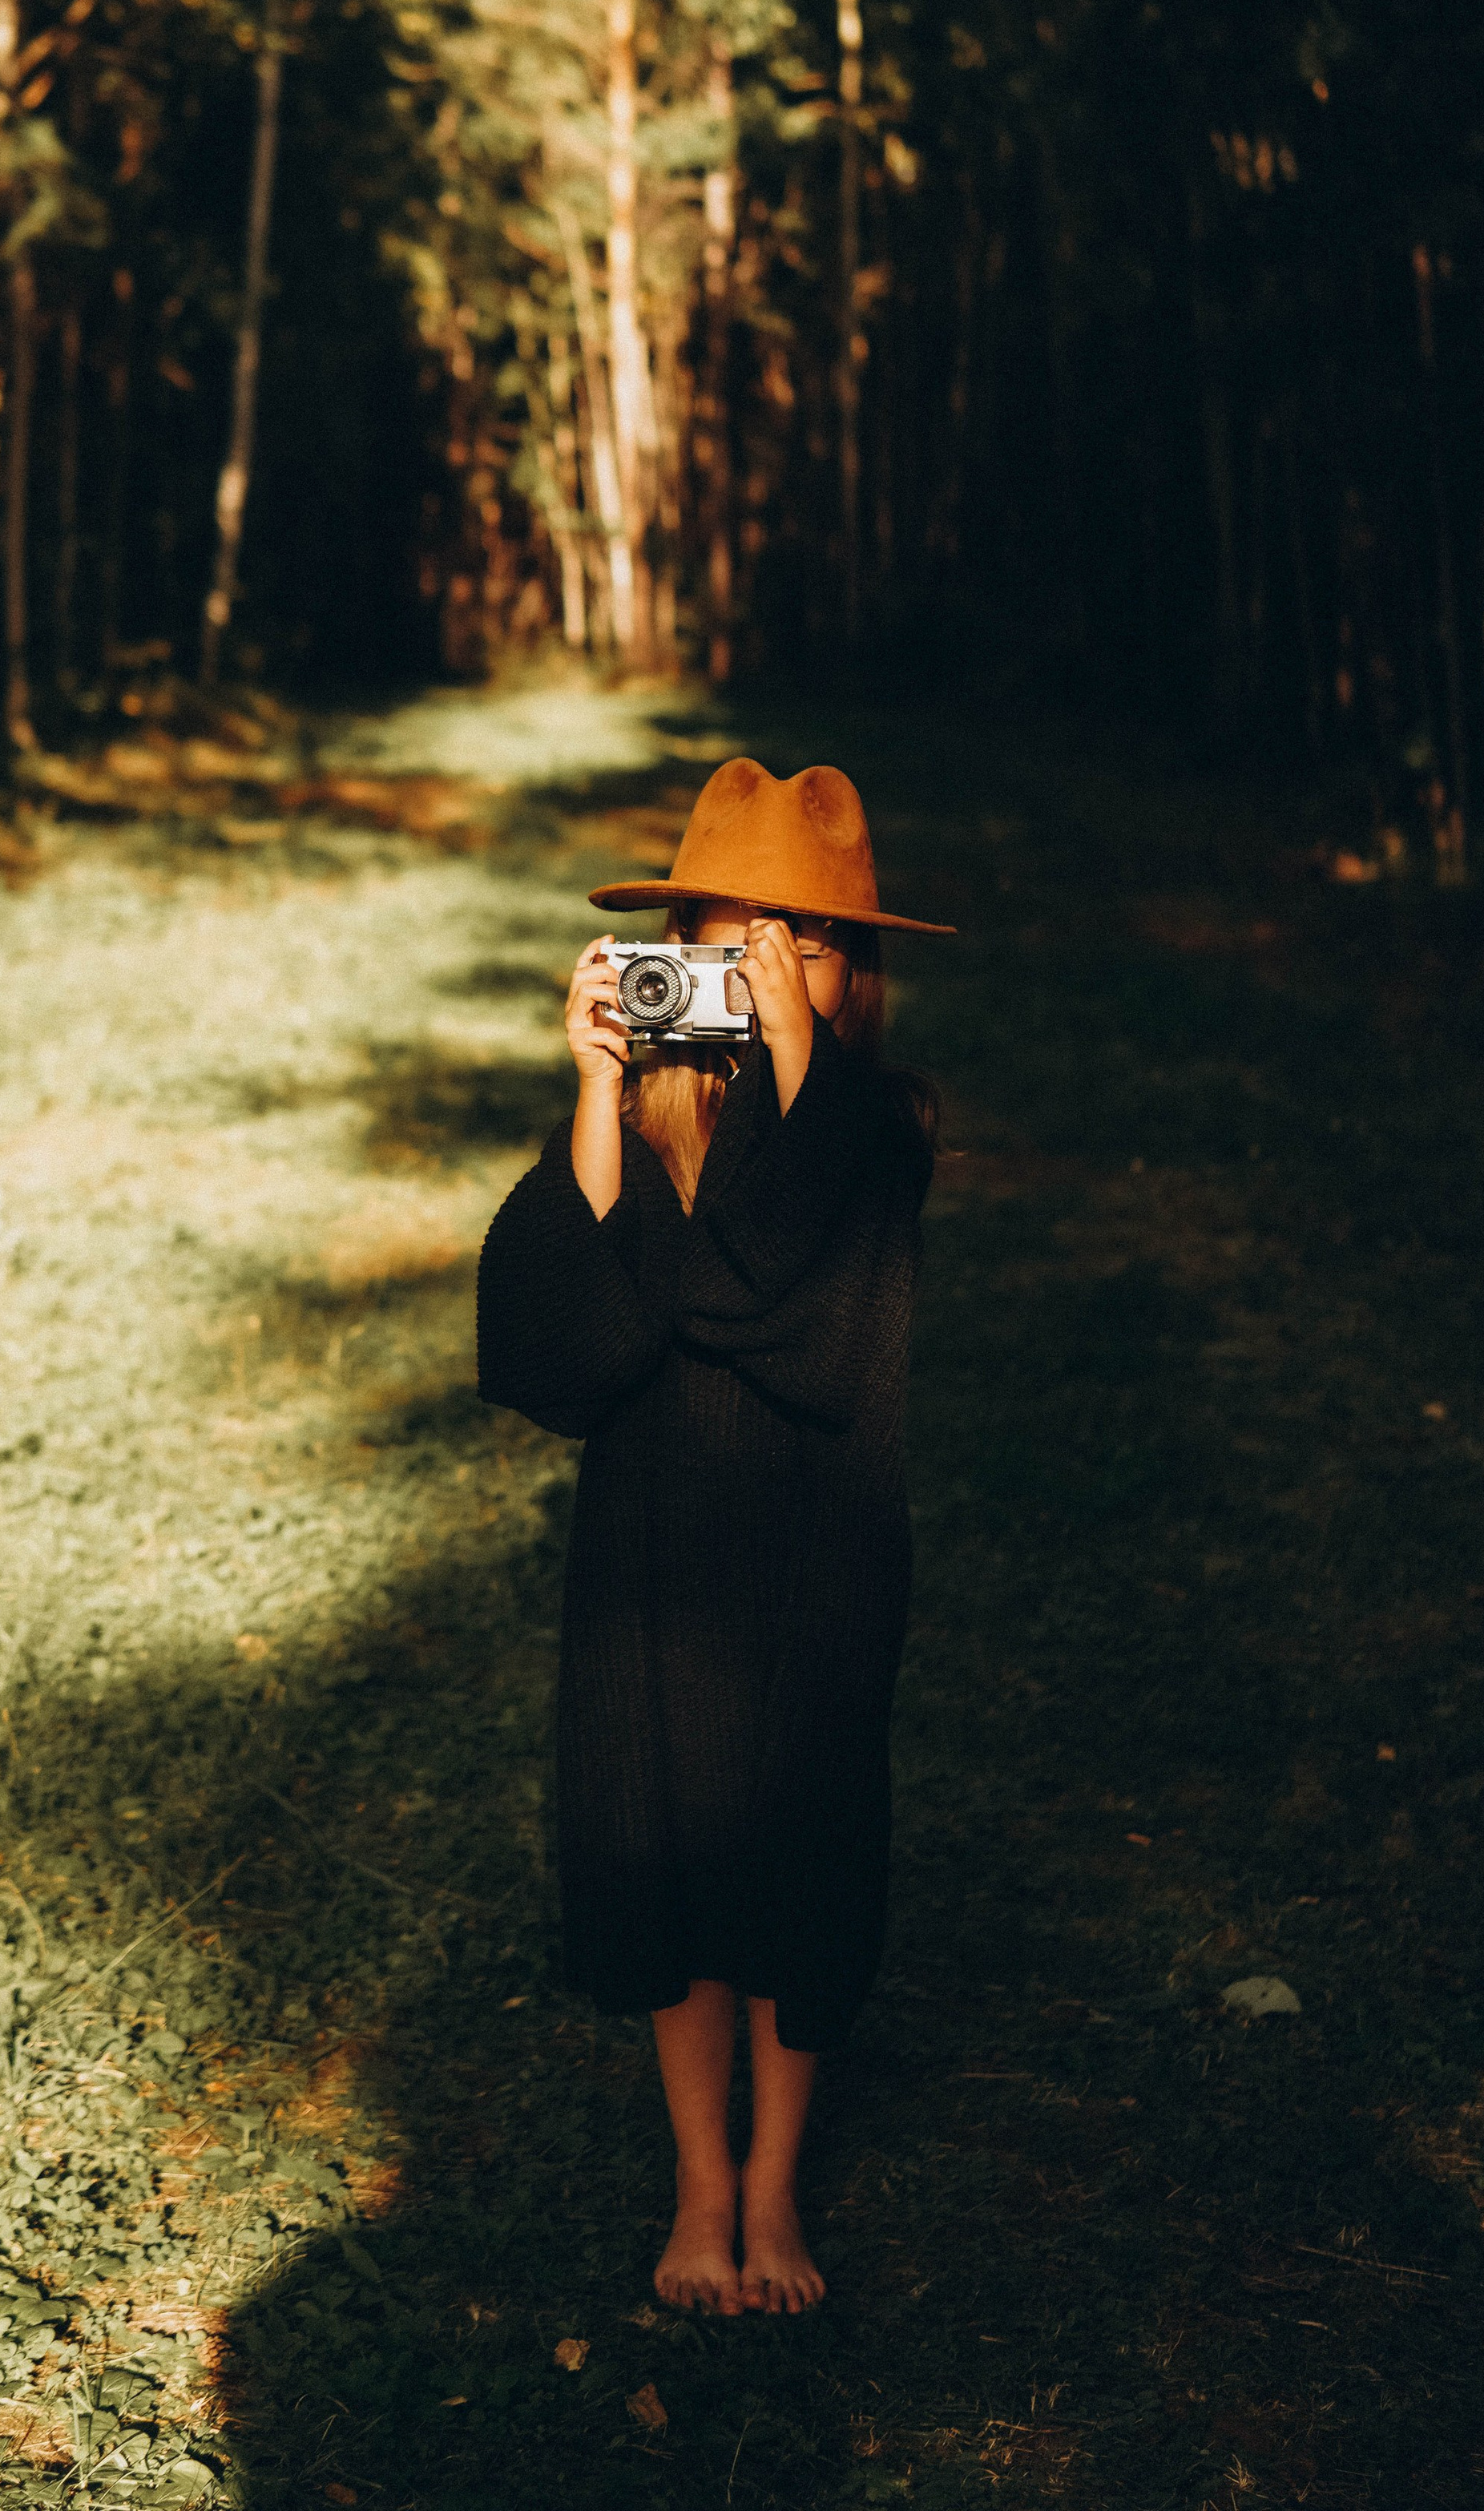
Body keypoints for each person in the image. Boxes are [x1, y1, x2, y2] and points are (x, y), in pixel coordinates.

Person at [476, 757, 950, 2315]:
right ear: (671, 947)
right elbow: (562, 1348)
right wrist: (596, 1095)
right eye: (731, 935)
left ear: (850, 969)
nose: (763, 970)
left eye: (801, 941)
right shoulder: (650, 1122)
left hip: (815, 1565)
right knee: (669, 1864)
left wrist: (801, 1081)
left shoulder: (876, 1131)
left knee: (799, 1875)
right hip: (651, 1557)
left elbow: (801, 1325)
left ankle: (772, 2187)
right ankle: (696, 2186)